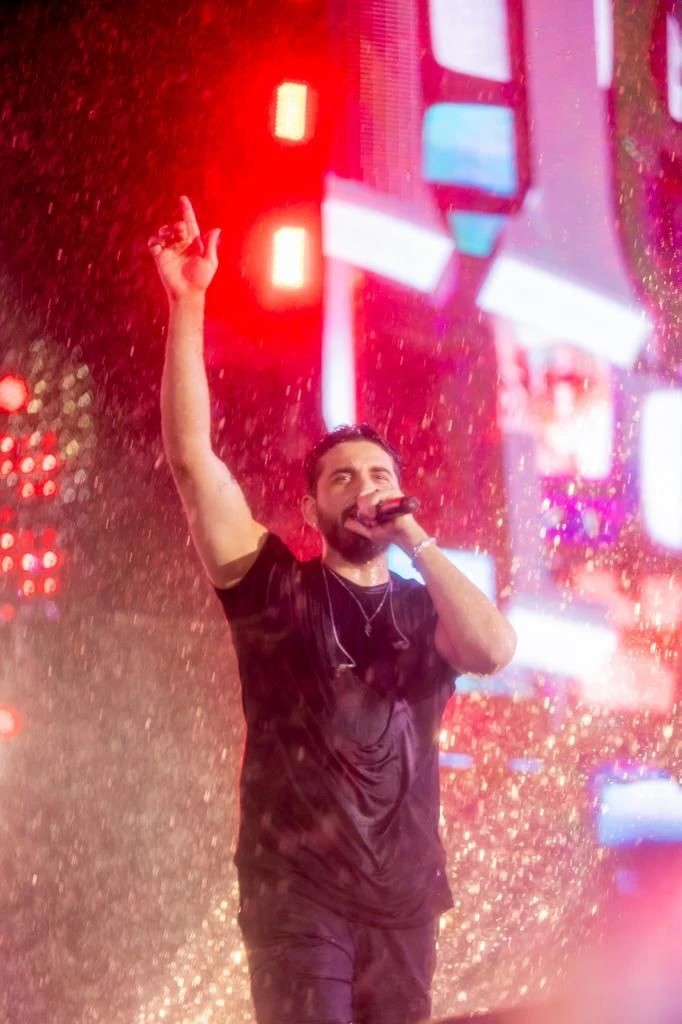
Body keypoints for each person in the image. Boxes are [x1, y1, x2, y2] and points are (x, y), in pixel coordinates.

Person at [149, 197, 517, 1024]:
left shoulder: (428, 609)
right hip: (296, 895)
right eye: (341, 478)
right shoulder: (275, 586)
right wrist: (190, 304)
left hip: (406, 900)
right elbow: (190, 460)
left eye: (377, 476)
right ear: (310, 510)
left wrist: (415, 534)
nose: (363, 489)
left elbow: (494, 650)